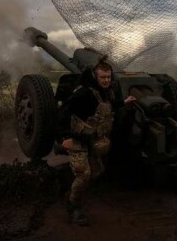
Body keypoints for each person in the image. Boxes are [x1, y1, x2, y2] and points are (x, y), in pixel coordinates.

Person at [58, 55, 136, 226]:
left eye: (108, 77)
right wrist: (65, 137)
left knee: (97, 170)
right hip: (77, 138)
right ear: (95, 76)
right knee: (83, 174)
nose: (106, 80)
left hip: (93, 139)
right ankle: (74, 208)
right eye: (102, 77)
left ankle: (72, 194)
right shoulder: (83, 92)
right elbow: (63, 112)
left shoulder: (107, 92)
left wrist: (123, 102)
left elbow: (105, 109)